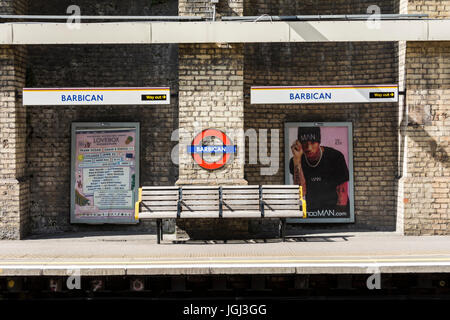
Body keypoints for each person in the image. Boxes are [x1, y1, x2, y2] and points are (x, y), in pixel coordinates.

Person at [289, 126, 349, 214]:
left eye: (313, 142)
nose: (308, 147)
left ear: (319, 143)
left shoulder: (335, 157)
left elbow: (342, 195)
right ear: (299, 143)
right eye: (304, 142)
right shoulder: (295, 161)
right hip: (312, 211)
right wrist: (297, 160)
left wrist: (338, 217)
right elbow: (301, 193)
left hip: (336, 209)